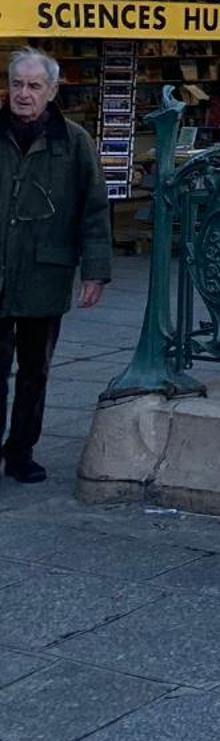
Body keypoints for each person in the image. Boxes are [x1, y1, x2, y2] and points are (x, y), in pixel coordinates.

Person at [0, 49, 110, 483]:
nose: (24, 94)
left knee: (34, 370)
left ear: (51, 91)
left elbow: (95, 207)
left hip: (45, 273)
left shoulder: (74, 141)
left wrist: (96, 269)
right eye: (17, 85)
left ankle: (21, 450)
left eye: (34, 86)